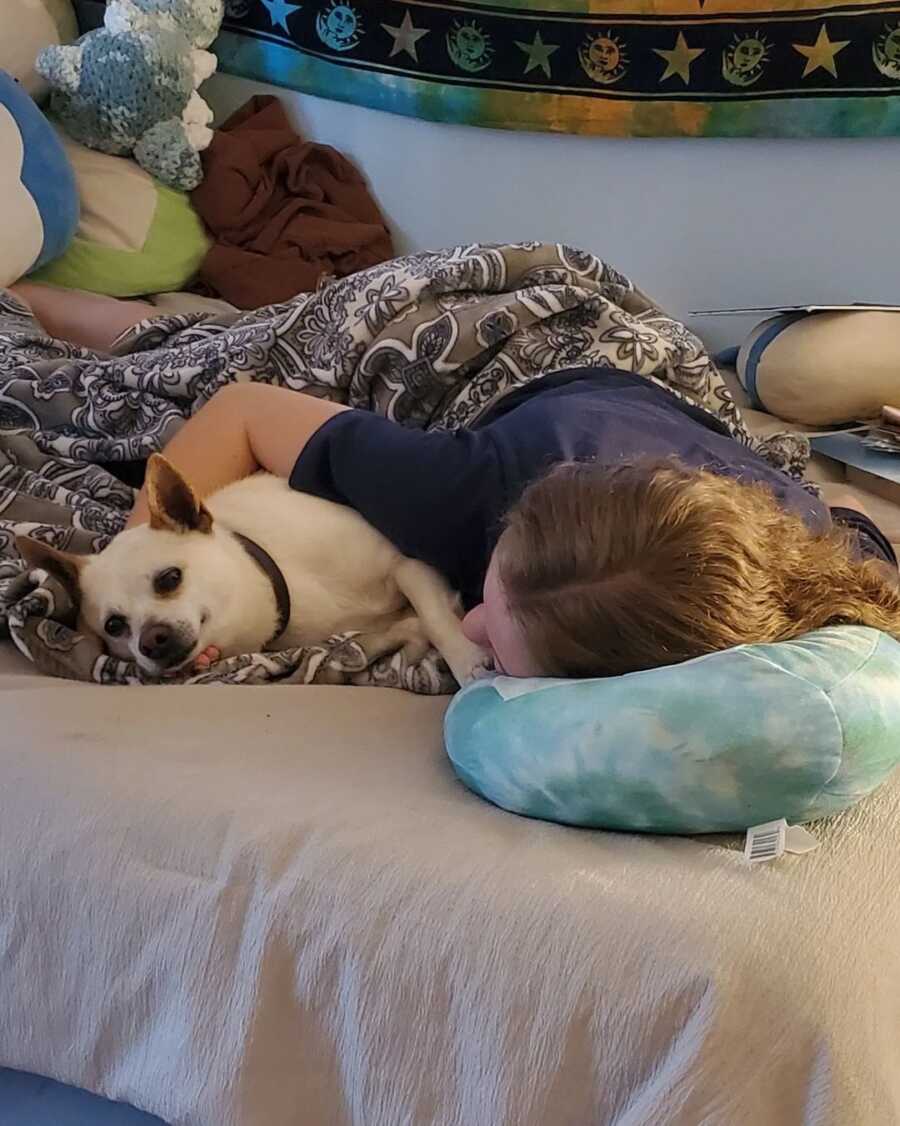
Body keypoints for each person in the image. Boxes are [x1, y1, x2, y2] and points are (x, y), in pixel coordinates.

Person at [12, 283, 900, 679]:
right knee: (161, 372)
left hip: (646, 395)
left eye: (493, 633)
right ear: (501, 525)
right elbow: (242, 408)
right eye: (488, 599)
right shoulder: (452, 489)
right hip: (480, 327)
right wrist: (138, 554)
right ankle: (39, 291)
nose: (464, 622)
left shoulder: (801, 551)